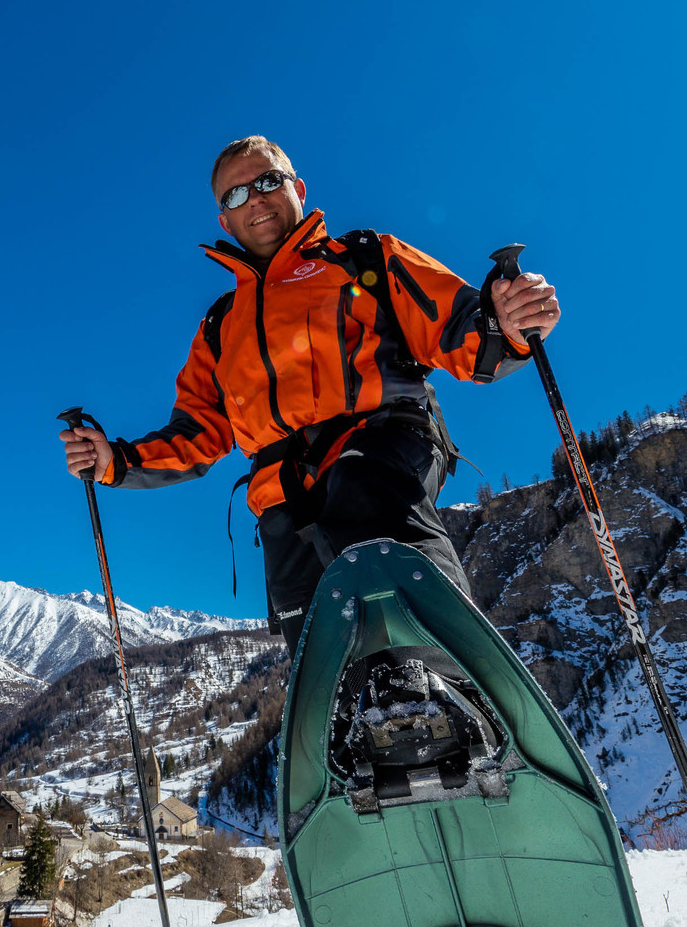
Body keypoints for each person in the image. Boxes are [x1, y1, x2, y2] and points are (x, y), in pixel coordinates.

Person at [58, 134, 559, 654]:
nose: (254, 198)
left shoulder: (365, 260)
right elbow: (198, 431)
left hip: (381, 443)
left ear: (296, 187)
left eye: (267, 181)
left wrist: (508, 323)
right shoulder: (220, 325)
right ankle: (346, 721)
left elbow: (460, 328)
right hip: (283, 498)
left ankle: (443, 672)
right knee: (315, 629)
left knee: (360, 490)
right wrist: (114, 459)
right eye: (235, 195)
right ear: (224, 221)